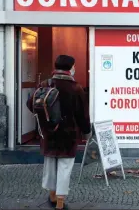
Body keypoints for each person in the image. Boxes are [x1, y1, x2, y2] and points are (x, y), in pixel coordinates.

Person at [27, 55, 91, 210]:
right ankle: (60, 203)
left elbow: (31, 104)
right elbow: (82, 114)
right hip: (68, 135)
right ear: (71, 68)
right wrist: (86, 132)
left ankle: (52, 196)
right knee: (64, 166)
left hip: (48, 132)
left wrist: (45, 118)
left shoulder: (45, 84)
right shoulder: (76, 88)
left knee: (49, 164)